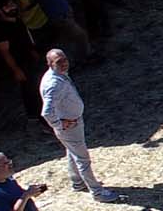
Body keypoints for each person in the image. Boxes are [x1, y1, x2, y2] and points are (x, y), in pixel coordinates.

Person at [38, 47, 119, 201]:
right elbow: (46, 112)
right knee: (83, 159)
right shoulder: (53, 84)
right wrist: (59, 124)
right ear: (49, 63)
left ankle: (78, 183)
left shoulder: (57, 76)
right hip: (70, 127)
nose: (64, 64)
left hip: (72, 124)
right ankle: (97, 192)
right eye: (59, 62)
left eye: (65, 60)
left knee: (72, 152)